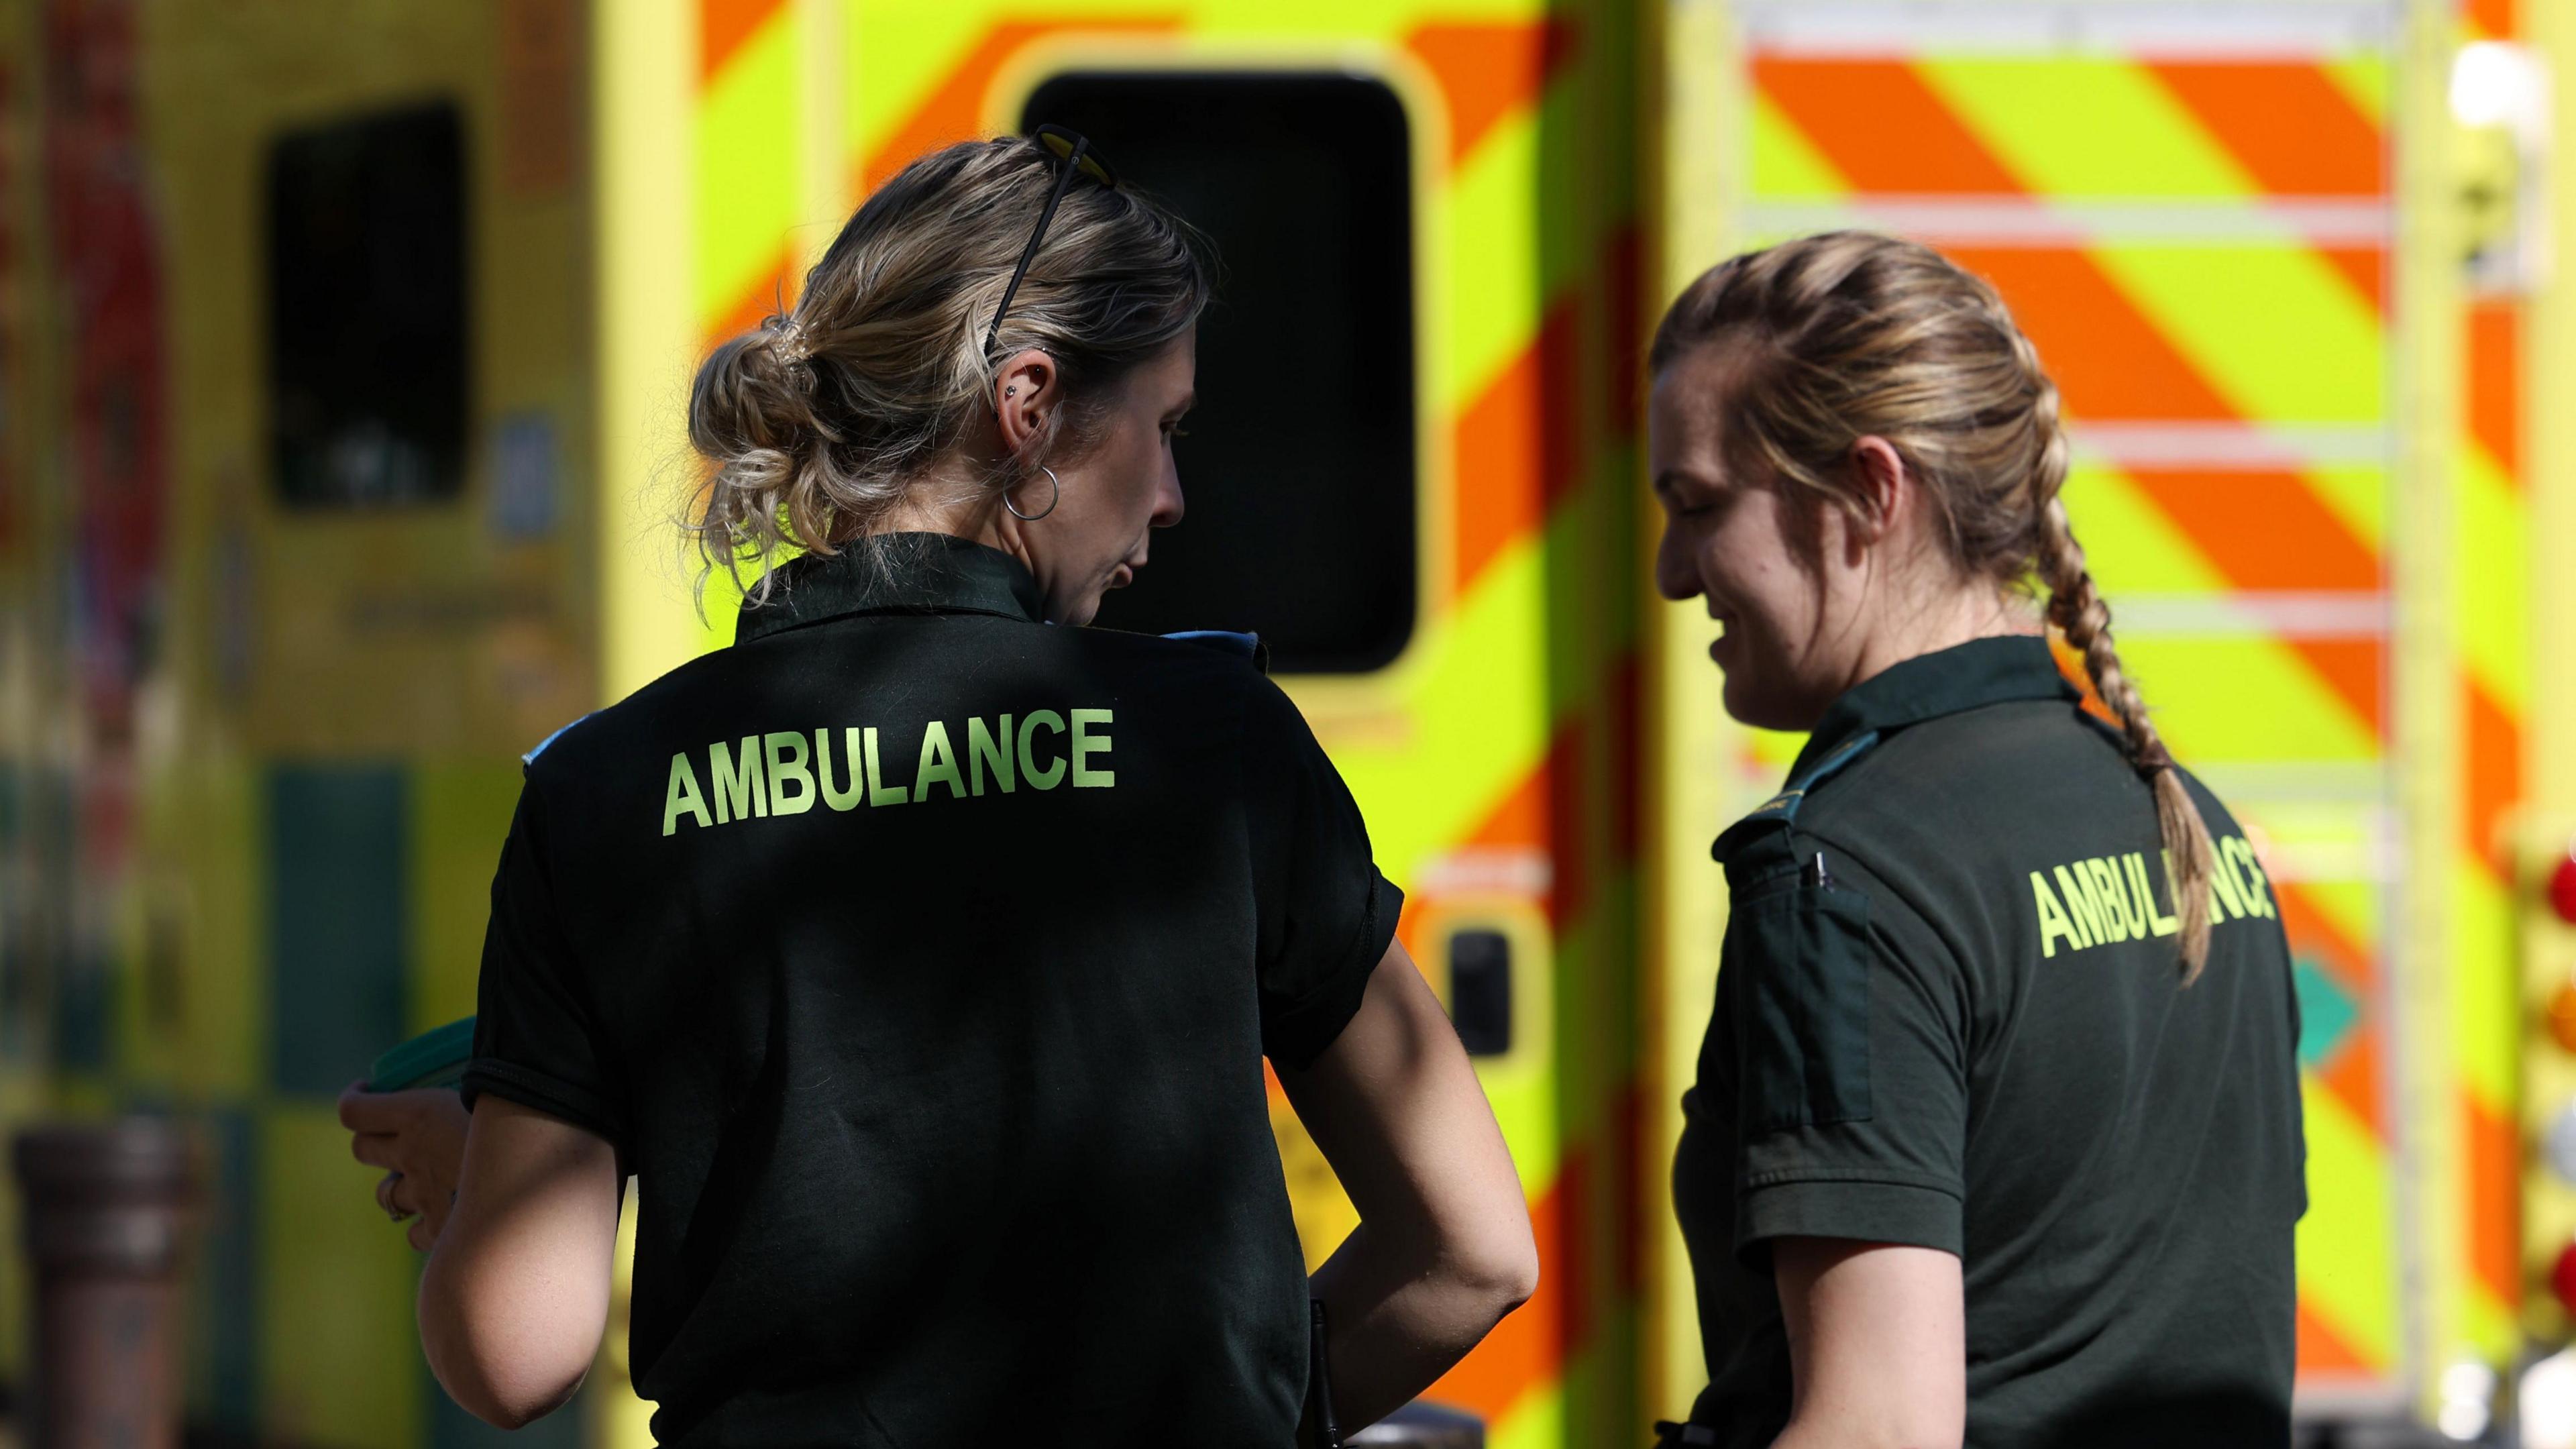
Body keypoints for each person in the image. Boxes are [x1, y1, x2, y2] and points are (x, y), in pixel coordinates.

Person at [337, 130, 1535, 1447]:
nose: (1177, 495)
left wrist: (474, 1199)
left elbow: (515, 1358)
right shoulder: (1220, 745)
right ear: (1027, 408)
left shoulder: (602, 791)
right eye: (1165, 426)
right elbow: (1471, 1253)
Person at [1646, 232, 2304, 1449]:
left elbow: (1879, 1428)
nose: (1675, 572)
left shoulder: (1846, 875)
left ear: (1867, 491)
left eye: (1697, 505)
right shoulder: (2192, 828)